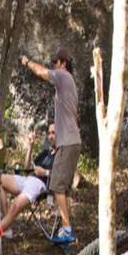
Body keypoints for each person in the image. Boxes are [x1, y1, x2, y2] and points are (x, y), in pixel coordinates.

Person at [20, 46, 81, 244]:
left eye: (56, 62)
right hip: (71, 141)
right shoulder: (67, 84)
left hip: (68, 141)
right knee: (63, 188)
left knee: (56, 185)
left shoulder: (64, 77)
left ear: (63, 64)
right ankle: (66, 230)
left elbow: (42, 73)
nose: (53, 66)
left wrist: (27, 62)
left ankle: (66, 228)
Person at [0, 122, 56, 236]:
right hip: (27, 179)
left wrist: (46, 172)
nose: (50, 136)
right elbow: (27, 167)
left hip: (39, 185)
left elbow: (61, 174)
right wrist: (30, 146)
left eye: (53, 133)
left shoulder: (60, 155)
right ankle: (6, 226)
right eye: (49, 133)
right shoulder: (46, 153)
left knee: (14, 207)